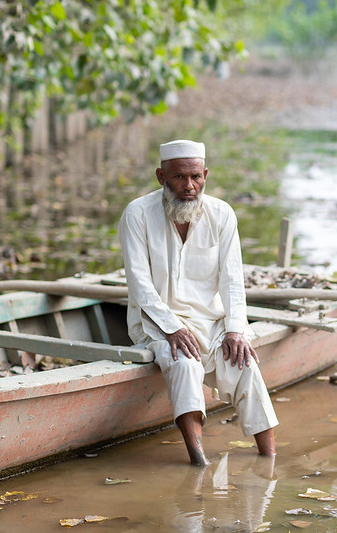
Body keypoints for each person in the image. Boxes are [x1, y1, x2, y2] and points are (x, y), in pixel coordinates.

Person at [118, 139, 278, 465]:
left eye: (195, 177)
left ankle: (270, 459)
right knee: (184, 363)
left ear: (205, 174)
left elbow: (233, 280)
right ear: (161, 177)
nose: (188, 186)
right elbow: (140, 285)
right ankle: (198, 462)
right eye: (178, 178)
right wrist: (173, 328)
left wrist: (235, 330)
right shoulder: (137, 214)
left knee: (244, 365)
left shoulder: (222, 215)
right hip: (156, 322)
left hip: (211, 320)